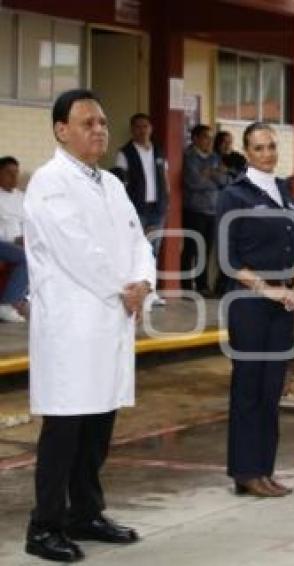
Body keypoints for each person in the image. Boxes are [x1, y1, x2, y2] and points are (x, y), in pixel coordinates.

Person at [23, 89, 155, 562]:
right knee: (65, 428)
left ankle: (86, 512)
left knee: (100, 422)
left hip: (111, 318)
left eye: (101, 121)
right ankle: (44, 525)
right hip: (73, 322)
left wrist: (142, 280)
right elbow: (74, 248)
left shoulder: (111, 184)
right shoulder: (49, 182)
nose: (99, 129)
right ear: (62, 130)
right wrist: (125, 288)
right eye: (87, 123)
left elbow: (138, 239)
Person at [216, 122, 294, 497]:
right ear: (247, 152)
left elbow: (292, 241)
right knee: (249, 387)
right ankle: (245, 471)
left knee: (272, 389)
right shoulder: (233, 196)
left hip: (282, 302)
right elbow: (228, 258)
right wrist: (267, 289)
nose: (267, 153)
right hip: (250, 303)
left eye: (272, 146)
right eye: (259, 148)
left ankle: (264, 470)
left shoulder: (283, 190)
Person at [114, 113, 169, 308]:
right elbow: (121, 182)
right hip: (137, 210)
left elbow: (165, 178)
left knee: (153, 251)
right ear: (132, 129)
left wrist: (167, 202)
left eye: (145, 126)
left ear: (151, 128)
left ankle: (150, 292)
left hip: (158, 208)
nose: (142, 130)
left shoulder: (159, 151)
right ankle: (134, 292)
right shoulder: (125, 153)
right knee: (137, 251)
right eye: (138, 126)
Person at [182, 124, 228, 296]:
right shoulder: (189, 157)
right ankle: (185, 285)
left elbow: (224, 180)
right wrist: (212, 178)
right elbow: (194, 182)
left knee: (206, 250)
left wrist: (210, 174)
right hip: (194, 209)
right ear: (195, 139)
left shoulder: (215, 158)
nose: (209, 142)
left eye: (211, 138)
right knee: (192, 248)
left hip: (212, 210)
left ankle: (202, 285)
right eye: (205, 137)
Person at [0, 155, 28, 323]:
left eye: (16, 173)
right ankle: (7, 304)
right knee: (26, 257)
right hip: (3, 242)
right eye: (9, 173)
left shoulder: (21, 197)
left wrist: (27, 238)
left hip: (19, 243)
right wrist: (13, 239)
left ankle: (25, 300)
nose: (14, 177)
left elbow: (29, 224)